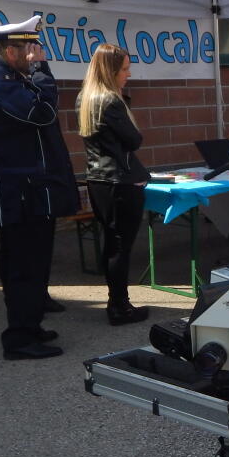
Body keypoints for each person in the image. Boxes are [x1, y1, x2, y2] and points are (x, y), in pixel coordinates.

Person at [0, 15, 78, 361]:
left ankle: (30, 325)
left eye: (35, 46)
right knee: (22, 266)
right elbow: (42, 113)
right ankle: (18, 338)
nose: (35, 53)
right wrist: (43, 72)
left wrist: (37, 73)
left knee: (33, 262)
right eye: (29, 47)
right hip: (17, 194)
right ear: (10, 49)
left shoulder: (15, 78)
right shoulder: (2, 82)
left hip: (30, 192)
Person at [77, 43, 150, 326]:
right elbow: (134, 140)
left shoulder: (85, 97)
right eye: (124, 69)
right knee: (121, 246)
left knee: (112, 243)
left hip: (98, 180)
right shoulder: (109, 101)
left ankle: (117, 302)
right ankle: (119, 306)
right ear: (110, 72)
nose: (128, 74)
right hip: (119, 182)